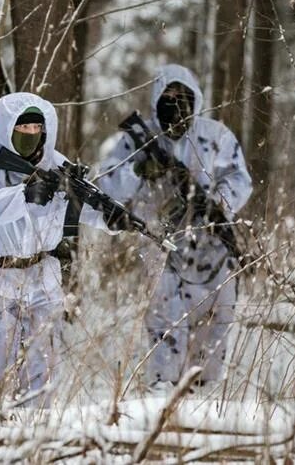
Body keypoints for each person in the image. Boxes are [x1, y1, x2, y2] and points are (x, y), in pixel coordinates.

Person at [0, 92, 121, 406]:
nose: (30, 134)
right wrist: (21, 195)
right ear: (6, 127)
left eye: (35, 128)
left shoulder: (56, 163)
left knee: (43, 363)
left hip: (42, 276)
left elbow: (83, 205)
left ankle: (34, 432)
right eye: (22, 127)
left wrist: (114, 218)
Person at [98, 64, 252, 389]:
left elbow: (241, 180)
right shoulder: (136, 140)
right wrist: (138, 170)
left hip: (212, 252)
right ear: (156, 99)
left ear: (195, 98)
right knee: (166, 328)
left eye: (182, 96)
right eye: (167, 96)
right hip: (160, 247)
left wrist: (216, 205)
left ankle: (202, 401)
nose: (175, 103)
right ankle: (161, 398)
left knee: (215, 326)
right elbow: (108, 188)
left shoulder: (215, 136)